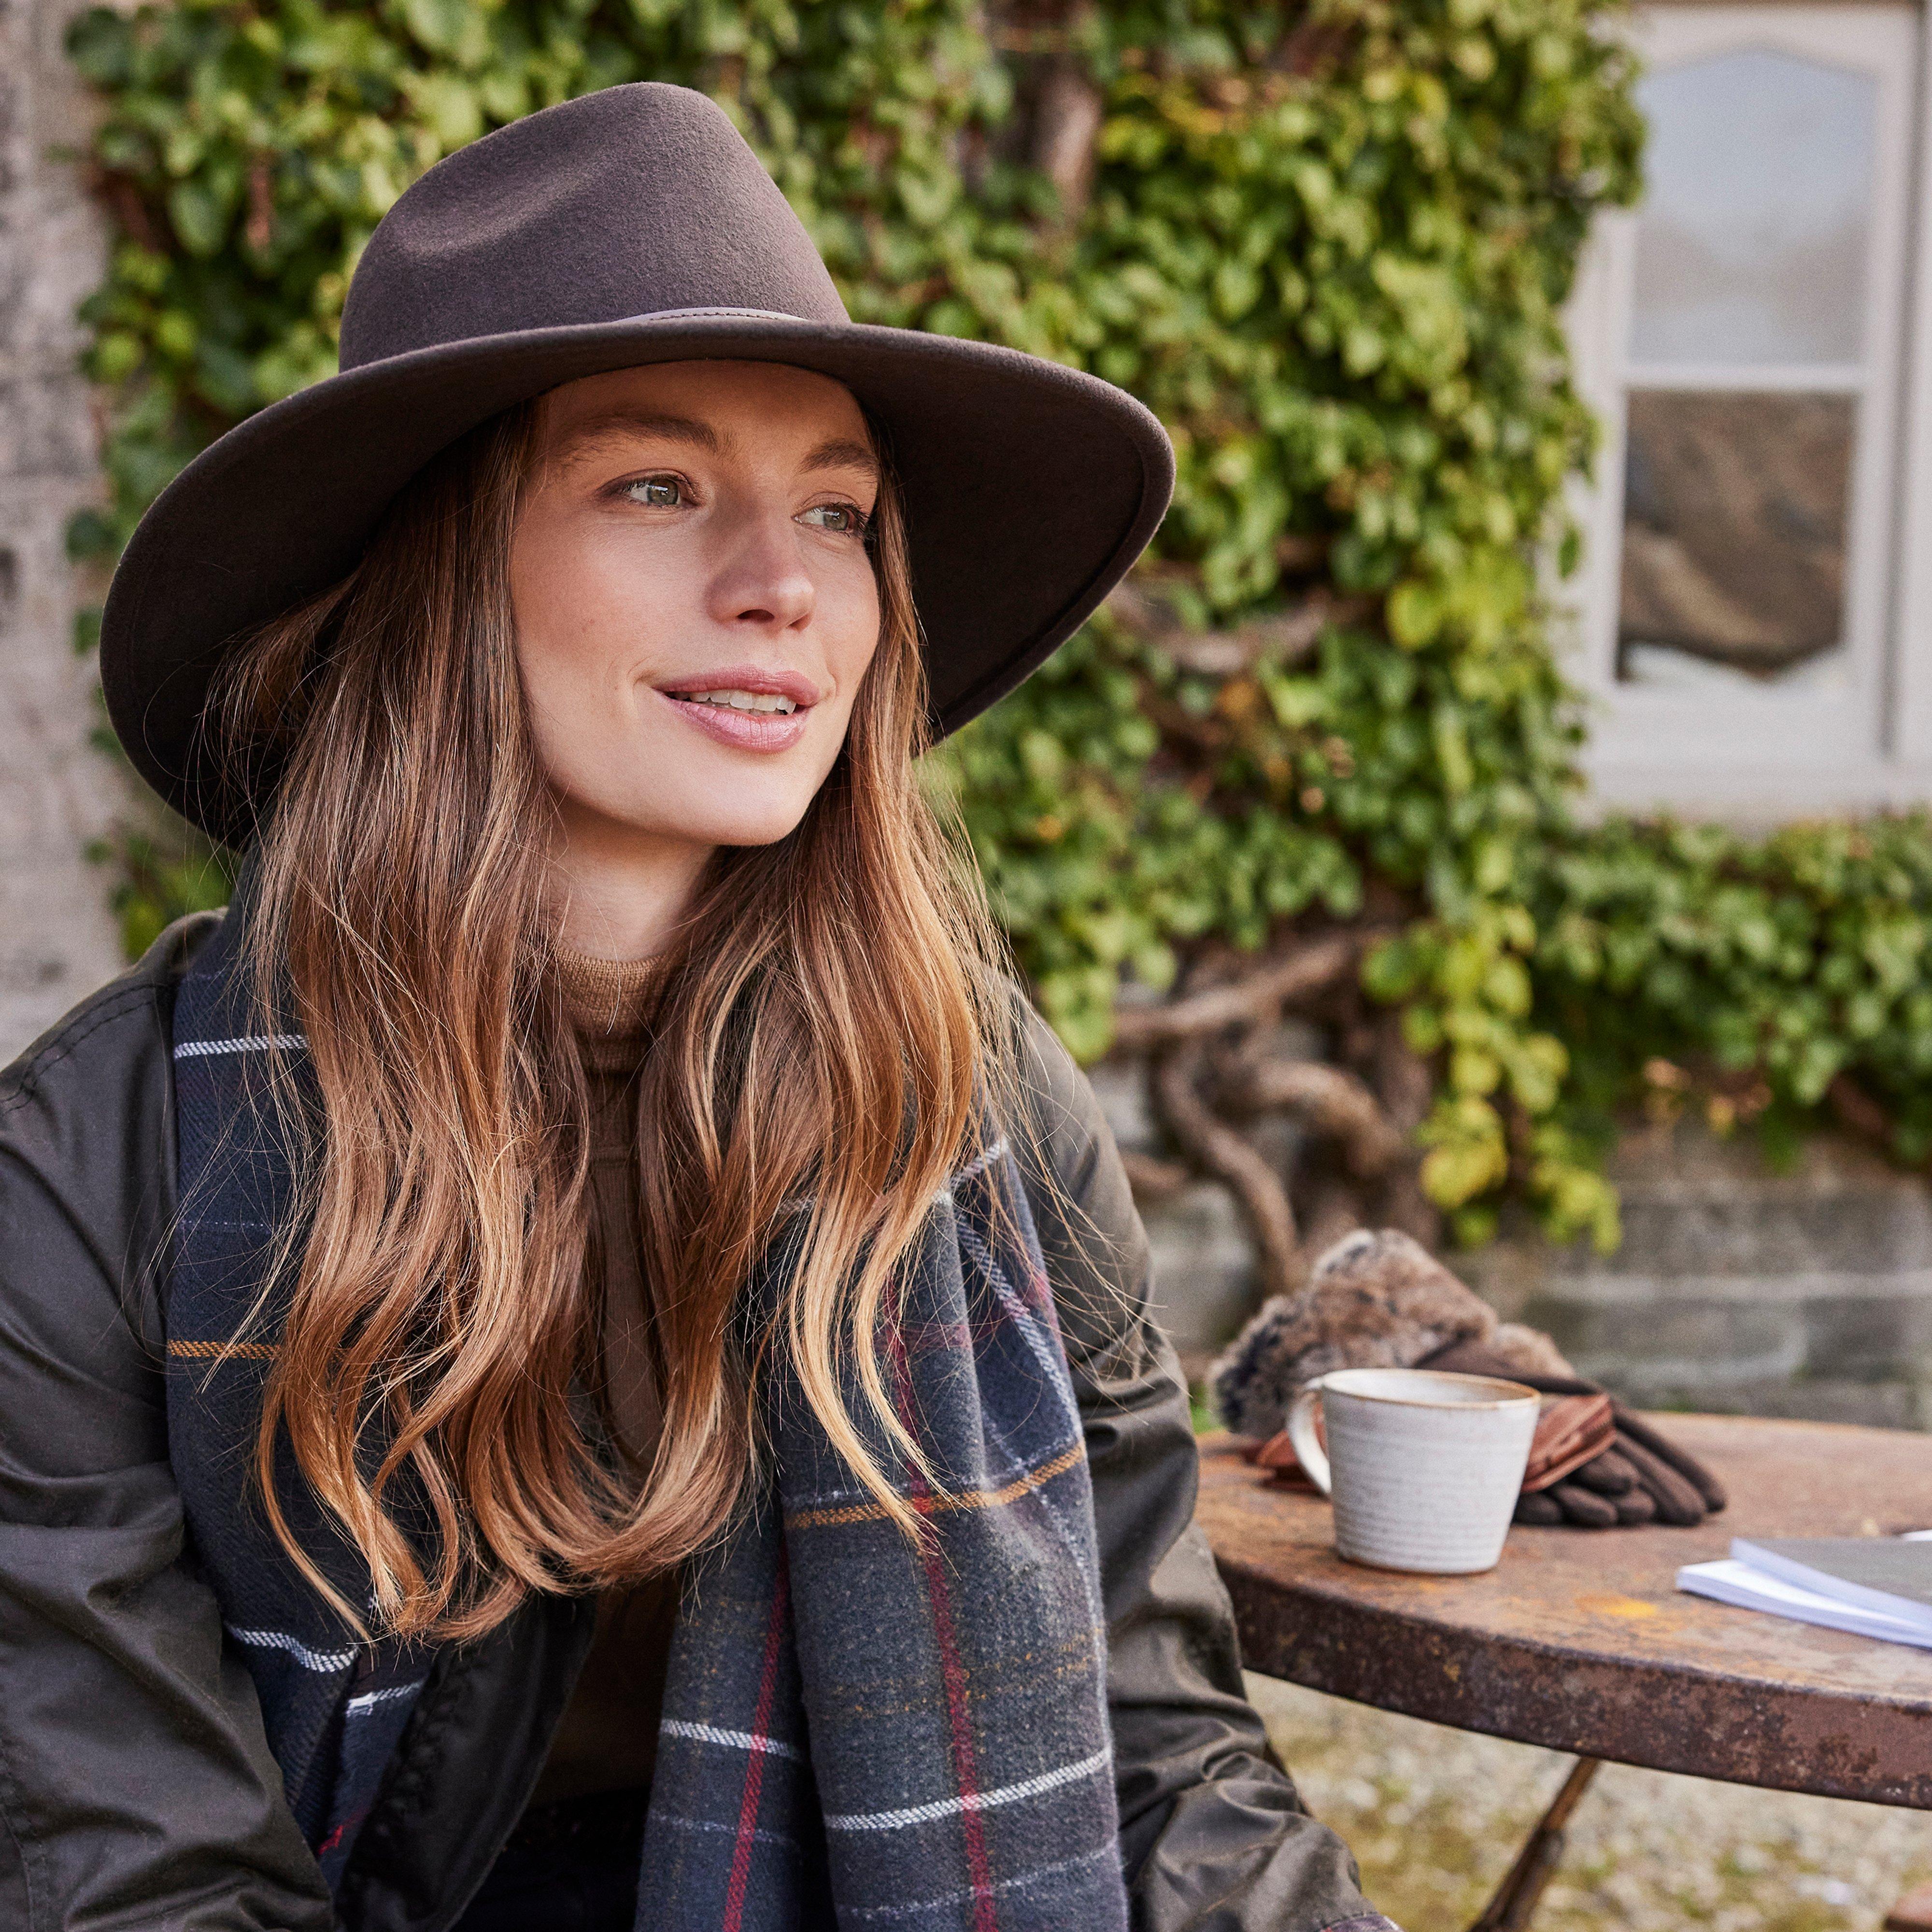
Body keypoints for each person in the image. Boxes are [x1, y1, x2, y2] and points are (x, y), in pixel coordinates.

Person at [0, 83, 1394, 1932]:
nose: (783, 588)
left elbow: (1155, 1749)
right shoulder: (96, 1173)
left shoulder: (977, 1111)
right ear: (436, 577)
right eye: (656, 486)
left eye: (840, 510)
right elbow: (137, 1880)